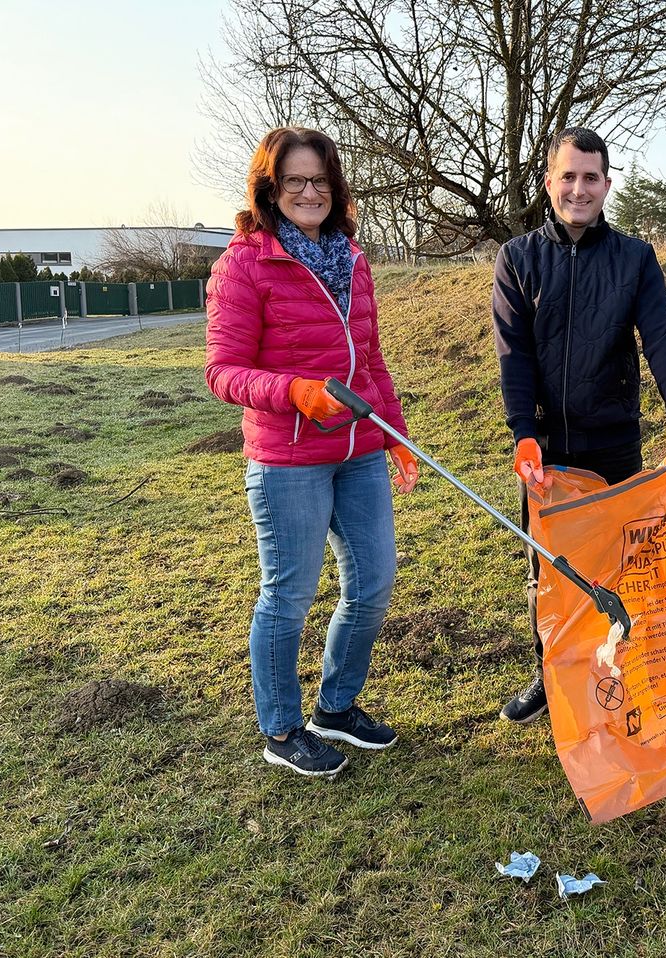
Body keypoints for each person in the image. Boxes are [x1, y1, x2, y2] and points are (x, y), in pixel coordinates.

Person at [205, 126, 420, 778]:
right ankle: (281, 728)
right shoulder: (244, 264)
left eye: (319, 181)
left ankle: (336, 707)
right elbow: (223, 372)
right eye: (294, 180)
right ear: (270, 187)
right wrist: (295, 392)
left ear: (336, 188)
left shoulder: (352, 259)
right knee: (288, 595)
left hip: (358, 453)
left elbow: (370, 361)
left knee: (374, 583)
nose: (308, 192)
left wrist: (396, 435)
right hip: (287, 462)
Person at [491, 127, 666, 724]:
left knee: (619, 571)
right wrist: (523, 432)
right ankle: (551, 680)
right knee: (550, 573)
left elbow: (660, 340)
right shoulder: (517, 259)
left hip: (614, 440)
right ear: (548, 183)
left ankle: (619, 678)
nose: (579, 188)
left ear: (607, 184)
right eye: (568, 176)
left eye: (591, 177)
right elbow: (514, 355)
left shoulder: (635, 260)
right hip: (547, 449)